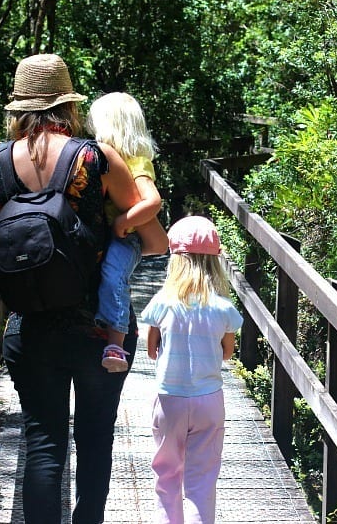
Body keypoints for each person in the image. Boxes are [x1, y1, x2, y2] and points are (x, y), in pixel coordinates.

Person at [0, 53, 141, 524]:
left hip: (30, 327)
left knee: (43, 444)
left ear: (19, 109)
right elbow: (134, 221)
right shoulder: (94, 156)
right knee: (95, 441)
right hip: (98, 327)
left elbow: (5, 234)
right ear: (68, 105)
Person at [140, 216, 243, 524]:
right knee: (202, 478)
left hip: (170, 400)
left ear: (176, 259)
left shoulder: (163, 302)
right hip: (209, 401)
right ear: (214, 262)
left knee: (167, 475)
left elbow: (149, 349)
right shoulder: (223, 307)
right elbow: (227, 353)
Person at [86, 92, 169, 372]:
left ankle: (116, 343)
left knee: (113, 276)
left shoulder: (136, 162)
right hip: (111, 234)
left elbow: (152, 201)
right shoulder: (101, 158)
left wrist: (123, 221)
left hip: (127, 237)